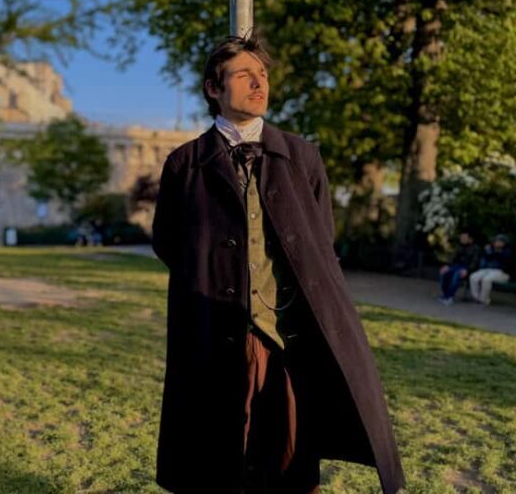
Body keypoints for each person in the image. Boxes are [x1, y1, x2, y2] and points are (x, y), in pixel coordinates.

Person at [152, 35, 404, 494]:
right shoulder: (184, 165)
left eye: (263, 75)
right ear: (213, 88)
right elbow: (169, 243)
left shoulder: (302, 157)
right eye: (244, 75)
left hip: (290, 334)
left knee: (292, 454)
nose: (259, 84)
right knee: (221, 453)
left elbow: (319, 240)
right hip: (215, 330)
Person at [437, 230, 480, 305]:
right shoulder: (459, 247)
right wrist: (447, 266)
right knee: (444, 273)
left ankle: (449, 297)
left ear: (470, 239)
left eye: (464, 237)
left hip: (466, 267)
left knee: (456, 275)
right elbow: (453, 258)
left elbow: (475, 262)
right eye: (461, 237)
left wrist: (467, 270)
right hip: (456, 266)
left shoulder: (475, 248)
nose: (462, 239)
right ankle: (446, 295)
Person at [469, 234, 513, 305]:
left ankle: (483, 300)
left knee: (486, 279)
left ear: (504, 243)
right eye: (496, 241)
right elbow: (486, 258)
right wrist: (488, 251)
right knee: (473, 277)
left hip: (501, 272)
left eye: (500, 241)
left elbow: (504, 259)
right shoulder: (490, 249)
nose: (497, 243)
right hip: (487, 270)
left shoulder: (507, 251)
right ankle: (477, 298)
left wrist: (495, 251)